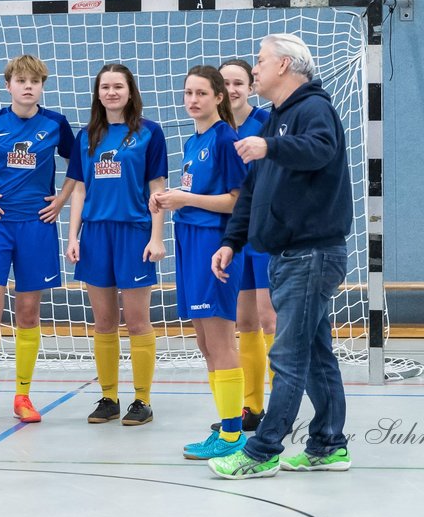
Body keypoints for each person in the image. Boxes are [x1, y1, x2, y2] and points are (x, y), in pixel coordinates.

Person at [208, 33, 352, 480]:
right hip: (288, 255)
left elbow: (320, 150)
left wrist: (271, 146)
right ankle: (329, 444)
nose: (255, 69)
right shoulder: (276, 118)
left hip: (312, 254)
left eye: (261, 60)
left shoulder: (314, 109)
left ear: (285, 65)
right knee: (314, 354)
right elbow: (254, 189)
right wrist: (232, 240)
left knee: (287, 356)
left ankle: (262, 451)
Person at [0, 54, 75, 424]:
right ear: (8, 85)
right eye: (20, 80)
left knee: (28, 312)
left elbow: (78, 167)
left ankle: (23, 395)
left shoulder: (56, 123)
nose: (27, 86)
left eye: (34, 81)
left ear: (42, 86)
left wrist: (61, 199)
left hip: (36, 226)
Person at [149, 65, 246, 460]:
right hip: (189, 238)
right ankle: (225, 427)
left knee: (220, 338)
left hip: (214, 243)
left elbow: (237, 200)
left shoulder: (226, 139)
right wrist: (170, 198)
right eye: (188, 92)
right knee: (205, 341)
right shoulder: (193, 141)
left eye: (202, 93)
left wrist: (185, 200)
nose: (193, 100)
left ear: (219, 97)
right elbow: (194, 191)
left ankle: (233, 435)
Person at [65, 64, 167, 426]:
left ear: (130, 90)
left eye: (118, 86)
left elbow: (158, 189)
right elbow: (79, 189)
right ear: (98, 93)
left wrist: (157, 237)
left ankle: (142, 400)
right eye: (105, 87)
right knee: (104, 321)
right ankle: (108, 396)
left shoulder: (150, 133)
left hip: (134, 232)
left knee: (138, 321)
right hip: (95, 234)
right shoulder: (86, 136)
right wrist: (73, 236)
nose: (111, 92)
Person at [221, 58, 275, 432]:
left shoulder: (266, 124)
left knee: (270, 317)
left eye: (239, 82)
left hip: (266, 232)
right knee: (244, 321)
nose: (232, 89)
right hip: (234, 234)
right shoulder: (217, 131)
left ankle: (280, 404)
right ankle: (251, 406)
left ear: (251, 87)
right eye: (224, 83)